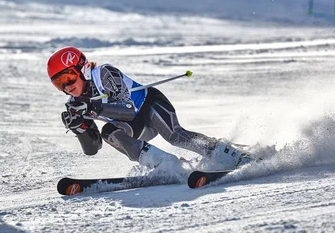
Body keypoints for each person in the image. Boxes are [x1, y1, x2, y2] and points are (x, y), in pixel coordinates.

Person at [47, 46, 255, 171]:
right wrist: (80, 128)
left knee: (174, 136)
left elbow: (128, 109)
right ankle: (166, 166)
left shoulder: (103, 73)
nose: (67, 86)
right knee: (109, 132)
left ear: (82, 68)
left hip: (150, 106)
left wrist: (93, 107)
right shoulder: (74, 103)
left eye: (68, 77)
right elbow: (93, 149)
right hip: (135, 126)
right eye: (59, 83)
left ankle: (230, 154)